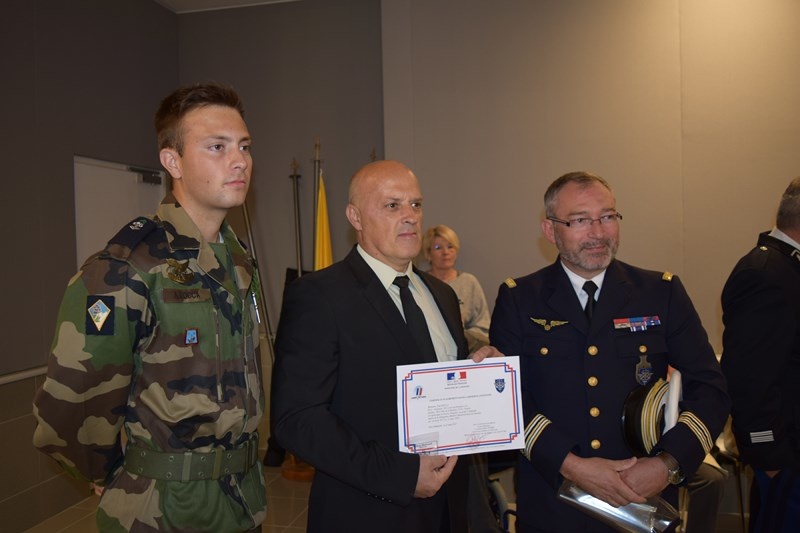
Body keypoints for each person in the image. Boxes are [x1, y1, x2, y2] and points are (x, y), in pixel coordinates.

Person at [32, 82, 267, 532]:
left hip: (243, 500)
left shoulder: (238, 262)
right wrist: (107, 472)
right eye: (217, 146)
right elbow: (71, 402)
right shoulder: (126, 268)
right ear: (172, 161)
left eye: (244, 146)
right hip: (163, 509)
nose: (239, 160)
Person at [489, 171, 729, 532]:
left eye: (608, 217)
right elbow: (509, 400)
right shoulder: (520, 299)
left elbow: (710, 388)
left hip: (642, 500)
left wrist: (667, 464)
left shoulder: (660, 292)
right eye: (580, 220)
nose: (598, 233)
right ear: (550, 230)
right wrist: (572, 465)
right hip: (554, 504)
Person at [271, 160, 502, 533]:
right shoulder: (319, 296)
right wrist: (401, 475)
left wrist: (481, 375)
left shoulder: (442, 295)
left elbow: (444, 395)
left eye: (416, 204)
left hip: (448, 511)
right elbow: (297, 419)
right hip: (368, 512)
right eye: (392, 205)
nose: (410, 216)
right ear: (355, 217)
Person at [721, 176, 800, 533]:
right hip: (787, 459)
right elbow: (748, 380)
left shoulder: (787, 269)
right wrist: (771, 460)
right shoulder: (766, 275)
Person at [423, 224, 491, 353]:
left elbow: (483, 326)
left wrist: (461, 333)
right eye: (438, 248)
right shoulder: (421, 284)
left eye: (450, 247)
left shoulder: (469, 282)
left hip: (467, 353)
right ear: (428, 254)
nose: (445, 252)